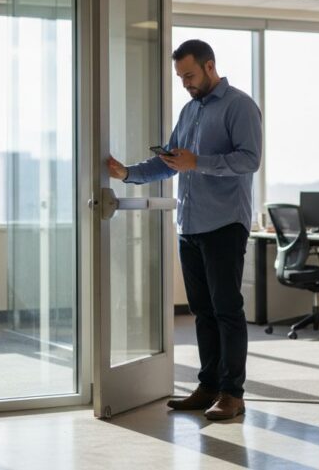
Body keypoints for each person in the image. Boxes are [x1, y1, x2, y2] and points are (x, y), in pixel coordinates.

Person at [106, 39, 262, 421]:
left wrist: (199, 162)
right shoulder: (189, 111)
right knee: (203, 312)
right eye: (180, 77)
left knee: (227, 310)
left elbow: (249, 160)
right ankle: (208, 387)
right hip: (189, 225)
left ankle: (232, 394)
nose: (186, 84)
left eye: (189, 75)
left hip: (225, 224)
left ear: (210, 66)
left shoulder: (240, 105)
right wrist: (127, 174)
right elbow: (171, 162)